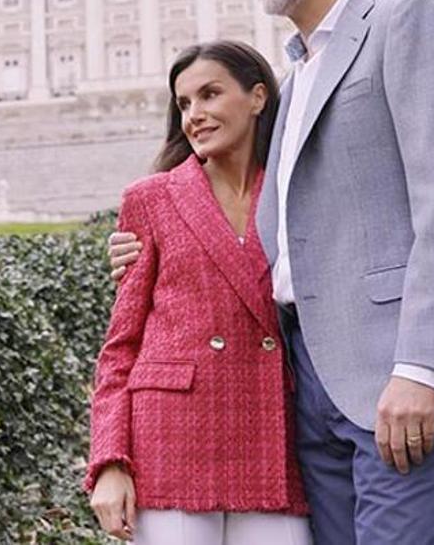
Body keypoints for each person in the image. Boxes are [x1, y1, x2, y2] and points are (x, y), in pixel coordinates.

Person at [108, 0, 434, 543]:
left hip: (391, 369)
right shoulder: (293, 79)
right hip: (305, 388)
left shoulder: (405, 19)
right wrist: (152, 246)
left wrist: (422, 367)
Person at [85, 40, 311, 544]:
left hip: (272, 429)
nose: (195, 114)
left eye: (210, 94)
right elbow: (120, 348)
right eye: (184, 103)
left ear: (257, 98)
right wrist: (109, 461)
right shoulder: (150, 199)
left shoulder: (298, 188)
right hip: (169, 438)